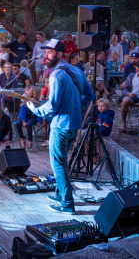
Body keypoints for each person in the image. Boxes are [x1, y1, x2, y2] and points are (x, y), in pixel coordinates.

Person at [27, 39, 94, 214]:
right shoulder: (76, 71)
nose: (46, 55)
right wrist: (74, 106)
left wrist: (35, 109)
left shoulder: (56, 75)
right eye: (46, 51)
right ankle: (59, 193)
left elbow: (52, 105)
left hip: (60, 126)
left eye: (50, 52)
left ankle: (67, 204)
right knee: (62, 162)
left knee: (58, 164)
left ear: (59, 54)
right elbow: (89, 95)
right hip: (74, 125)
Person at [120, 61, 139, 133]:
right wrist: (129, 94)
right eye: (137, 71)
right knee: (125, 100)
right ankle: (123, 123)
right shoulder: (131, 76)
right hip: (134, 97)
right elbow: (125, 90)